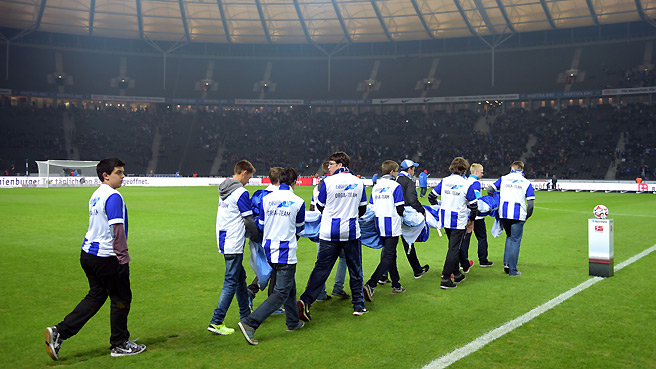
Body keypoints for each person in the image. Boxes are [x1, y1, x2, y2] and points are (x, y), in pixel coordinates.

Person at [45, 158, 146, 361]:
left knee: (96, 296)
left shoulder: (96, 194)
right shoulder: (114, 196)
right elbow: (116, 229)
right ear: (105, 175)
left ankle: (60, 332)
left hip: (88, 254)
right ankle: (119, 344)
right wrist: (123, 257)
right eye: (119, 172)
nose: (123, 176)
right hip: (107, 257)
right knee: (121, 299)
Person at [237, 168, 306, 345]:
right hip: (285, 251)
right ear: (294, 182)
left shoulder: (267, 199)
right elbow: (300, 228)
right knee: (281, 292)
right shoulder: (298, 201)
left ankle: (292, 321)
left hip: (269, 249)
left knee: (289, 287)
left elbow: (260, 223)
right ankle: (250, 323)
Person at [297, 152, 368, 319]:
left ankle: (306, 301)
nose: (328, 167)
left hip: (329, 233)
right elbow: (363, 209)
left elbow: (319, 207)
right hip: (350, 233)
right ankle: (358, 305)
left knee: (321, 269)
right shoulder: (359, 182)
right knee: (355, 270)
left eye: (331, 164)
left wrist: (333, 212)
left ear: (340, 165)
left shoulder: (326, 182)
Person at [208, 160, 260, 335]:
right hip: (234, 241)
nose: (249, 181)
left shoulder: (225, 188)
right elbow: (248, 219)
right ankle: (216, 321)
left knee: (240, 277)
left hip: (223, 238)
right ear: (244, 173)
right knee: (231, 281)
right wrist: (257, 236)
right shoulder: (240, 192)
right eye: (249, 177)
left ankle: (245, 315)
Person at [428, 157, 478, 289]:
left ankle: (457, 273)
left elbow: (431, 196)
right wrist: (471, 221)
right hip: (458, 219)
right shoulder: (467, 184)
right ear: (464, 169)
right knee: (454, 249)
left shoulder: (445, 181)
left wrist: (440, 206)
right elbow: (474, 205)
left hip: (445, 218)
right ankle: (445, 278)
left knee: (452, 246)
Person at [363, 160, 406, 302]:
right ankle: (371, 283)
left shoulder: (376, 186)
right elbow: (400, 208)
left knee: (390, 254)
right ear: (393, 172)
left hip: (379, 223)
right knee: (388, 256)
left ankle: (396, 283)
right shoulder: (396, 186)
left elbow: (371, 207)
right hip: (392, 225)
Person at [311, 161, 349, 301]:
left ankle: (320, 294)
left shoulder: (317, 186)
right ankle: (338, 287)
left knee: (321, 262)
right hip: (336, 226)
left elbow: (312, 206)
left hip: (321, 228)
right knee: (344, 257)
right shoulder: (333, 184)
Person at [489, 161, 535, 276]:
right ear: (522, 169)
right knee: (515, 240)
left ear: (512, 168)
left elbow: (490, 190)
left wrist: (498, 196)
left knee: (509, 237)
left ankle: (507, 263)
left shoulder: (504, 178)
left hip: (503, 213)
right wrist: (527, 216)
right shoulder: (526, 182)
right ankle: (513, 270)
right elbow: (531, 204)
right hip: (518, 215)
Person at [247, 167, 283, 309]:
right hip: (272, 237)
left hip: (258, 236)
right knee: (274, 268)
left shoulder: (259, 194)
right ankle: (259, 295)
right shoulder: (279, 197)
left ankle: (269, 301)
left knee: (271, 268)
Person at [396, 159, 430, 278]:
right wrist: (422, 210)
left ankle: (384, 275)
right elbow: (412, 200)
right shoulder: (408, 181)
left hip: (392, 215)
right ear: (409, 169)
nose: (414, 171)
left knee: (390, 247)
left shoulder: (395, 180)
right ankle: (417, 270)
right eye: (413, 169)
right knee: (408, 242)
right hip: (406, 214)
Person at [459, 163, 494, 268]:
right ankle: (483, 260)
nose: (482, 174)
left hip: (466, 214)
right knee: (482, 237)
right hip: (476, 215)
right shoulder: (475, 183)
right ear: (476, 172)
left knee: (465, 239)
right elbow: (476, 199)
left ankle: (463, 262)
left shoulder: (465, 181)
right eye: (481, 172)